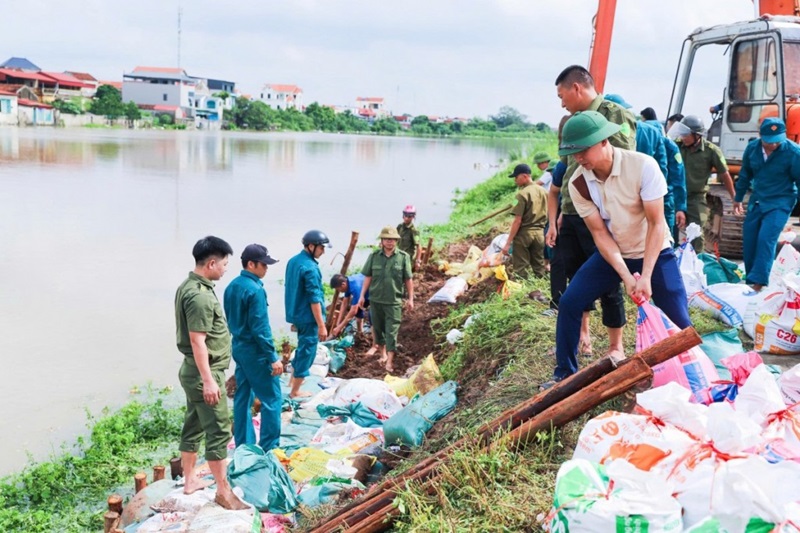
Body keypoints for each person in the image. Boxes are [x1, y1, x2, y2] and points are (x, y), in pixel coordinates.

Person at [542, 111, 691, 388]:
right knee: (570, 302)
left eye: (583, 150)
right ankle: (564, 374)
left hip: (655, 251)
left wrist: (645, 275)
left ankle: (692, 373)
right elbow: (600, 233)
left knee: (679, 318)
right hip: (615, 252)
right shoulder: (578, 183)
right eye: (572, 153)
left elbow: (657, 223)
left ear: (603, 141)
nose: (578, 159)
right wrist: (625, 275)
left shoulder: (643, 166)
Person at [547, 65, 635, 357]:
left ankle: (616, 346)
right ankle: (582, 338)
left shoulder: (614, 115)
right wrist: (561, 212)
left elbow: (622, 161)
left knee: (608, 280)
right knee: (576, 277)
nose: (562, 103)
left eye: (562, 96)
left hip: (600, 209)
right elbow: (570, 171)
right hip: (574, 209)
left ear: (576, 88)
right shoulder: (574, 121)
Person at [174, 236, 247, 510]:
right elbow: (197, 340)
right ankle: (223, 491)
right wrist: (208, 381)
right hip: (204, 372)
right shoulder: (201, 296)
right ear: (212, 263)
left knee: (193, 423)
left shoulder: (189, 285)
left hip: (193, 371)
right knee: (218, 431)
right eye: (225, 264)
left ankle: (190, 480)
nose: (226, 269)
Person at [223, 243, 282, 452]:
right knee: (272, 399)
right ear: (251, 264)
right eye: (263, 265)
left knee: (242, 396)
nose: (266, 268)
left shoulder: (231, 286)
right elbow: (260, 329)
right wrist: (272, 357)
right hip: (256, 352)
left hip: (239, 347)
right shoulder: (255, 290)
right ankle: (269, 447)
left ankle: (244, 444)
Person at [733, 117, 800, 290]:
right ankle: (751, 279)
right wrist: (738, 198)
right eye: (770, 142)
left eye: (778, 140)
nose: (774, 145)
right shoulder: (752, 149)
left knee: (766, 239)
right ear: (760, 136)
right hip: (758, 200)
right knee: (750, 239)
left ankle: (759, 283)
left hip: (781, 201)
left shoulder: (793, 153)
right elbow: (745, 174)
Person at [670, 115, 735, 252]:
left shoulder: (711, 151)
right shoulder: (675, 146)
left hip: (696, 197)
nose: (683, 137)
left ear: (697, 135)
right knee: (670, 232)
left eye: (686, 135)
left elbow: (724, 173)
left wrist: (734, 197)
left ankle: (697, 262)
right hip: (674, 195)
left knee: (697, 233)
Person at [358, 226, 414, 373]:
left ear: (396, 241)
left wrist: (410, 299)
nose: (390, 242)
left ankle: (389, 360)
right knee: (378, 328)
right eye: (387, 239)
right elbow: (368, 277)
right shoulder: (374, 257)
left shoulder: (403, 257)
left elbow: (408, 279)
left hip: (393, 301)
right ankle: (382, 354)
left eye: (393, 240)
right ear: (382, 241)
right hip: (376, 300)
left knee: (391, 331)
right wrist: (362, 295)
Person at [285, 230, 330, 398]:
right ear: (311, 246)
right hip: (308, 316)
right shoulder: (310, 268)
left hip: (295, 312)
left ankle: (292, 381)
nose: (323, 252)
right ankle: (295, 391)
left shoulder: (293, 261)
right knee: (307, 351)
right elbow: (314, 298)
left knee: (301, 347)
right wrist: (321, 325)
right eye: (321, 248)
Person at [640, 107, 688, 243]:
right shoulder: (668, 145)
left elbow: (678, 178)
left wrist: (680, 207)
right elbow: (678, 177)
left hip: (656, 200)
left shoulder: (641, 141)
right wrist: (680, 207)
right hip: (661, 199)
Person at [501, 163, 548, 278]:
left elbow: (517, 221)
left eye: (516, 177)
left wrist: (508, 243)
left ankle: (521, 288)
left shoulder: (522, 194)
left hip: (524, 234)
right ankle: (539, 285)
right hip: (540, 234)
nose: (515, 181)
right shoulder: (544, 192)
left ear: (525, 176)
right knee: (539, 264)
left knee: (521, 266)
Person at [397, 205, 422, 271]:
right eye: (405, 215)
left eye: (409, 216)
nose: (406, 218)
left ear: (413, 217)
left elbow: (419, 246)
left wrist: (417, 261)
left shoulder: (414, 230)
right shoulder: (400, 227)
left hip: (408, 258)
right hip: (399, 255)